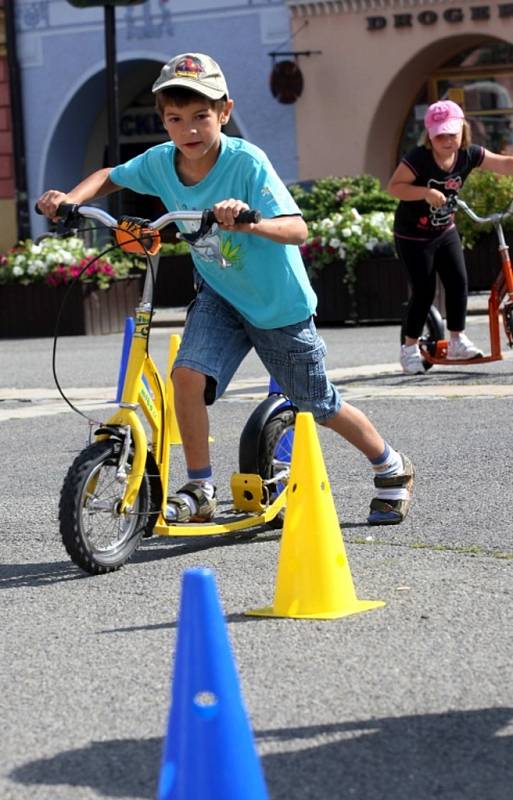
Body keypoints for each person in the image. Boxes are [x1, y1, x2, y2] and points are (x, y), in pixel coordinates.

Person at [37, 52, 414, 526]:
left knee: (319, 404)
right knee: (185, 379)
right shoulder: (160, 162)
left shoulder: (246, 163)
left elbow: (298, 230)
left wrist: (251, 221)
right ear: (164, 121)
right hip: (220, 295)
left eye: (201, 117)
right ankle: (200, 487)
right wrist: (70, 198)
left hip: (279, 306)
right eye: (176, 119)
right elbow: (109, 176)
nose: (189, 130)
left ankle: (392, 467)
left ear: (225, 113)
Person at [388, 99, 513, 375]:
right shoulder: (418, 158)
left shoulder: (469, 154)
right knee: (424, 291)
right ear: (430, 136)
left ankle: (457, 340)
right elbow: (395, 187)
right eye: (440, 135)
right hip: (413, 235)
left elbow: (503, 164)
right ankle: (409, 349)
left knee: (458, 282)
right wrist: (424, 192)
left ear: (463, 132)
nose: (446, 140)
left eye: (452, 134)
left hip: (444, 230)